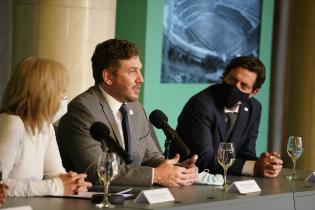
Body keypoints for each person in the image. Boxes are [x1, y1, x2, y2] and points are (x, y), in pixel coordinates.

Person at [57, 39, 198, 186]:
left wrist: (178, 170)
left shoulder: (136, 108)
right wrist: (155, 175)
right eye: (132, 71)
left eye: (139, 70)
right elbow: (95, 171)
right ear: (108, 77)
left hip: (133, 199)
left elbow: (150, 157)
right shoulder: (82, 111)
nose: (141, 79)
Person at [170, 56, 283, 178]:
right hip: (188, 178)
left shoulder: (254, 108)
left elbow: (246, 153)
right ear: (223, 76)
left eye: (244, 85)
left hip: (225, 179)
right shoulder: (201, 104)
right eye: (233, 80)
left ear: (253, 92)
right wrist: (254, 167)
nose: (235, 87)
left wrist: (265, 163)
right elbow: (203, 160)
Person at [0, 57, 92, 197]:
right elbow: (1, 185)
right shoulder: (12, 124)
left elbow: (55, 175)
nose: (64, 97)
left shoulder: (45, 127)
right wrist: (55, 187)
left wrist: (72, 182)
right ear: (44, 93)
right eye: (61, 91)